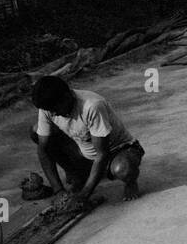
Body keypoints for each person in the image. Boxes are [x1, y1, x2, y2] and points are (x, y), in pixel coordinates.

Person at [30, 75, 144, 207]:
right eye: (50, 111)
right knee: (36, 132)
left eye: (55, 110)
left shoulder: (92, 105)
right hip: (84, 152)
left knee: (123, 169)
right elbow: (43, 149)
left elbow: (102, 153)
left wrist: (84, 194)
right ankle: (78, 174)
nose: (53, 114)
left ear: (67, 97)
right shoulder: (49, 107)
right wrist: (58, 191)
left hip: (117, 151)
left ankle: (130, 182)